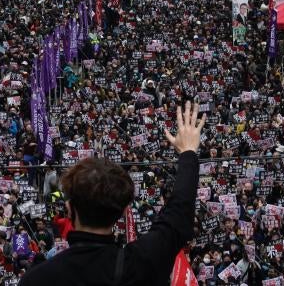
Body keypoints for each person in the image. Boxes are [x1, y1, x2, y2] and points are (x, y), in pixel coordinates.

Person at [20, 101, 206, 285]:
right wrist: (188, 152)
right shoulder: (140, 264)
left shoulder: (36, 279)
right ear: (125, 210)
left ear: (69, 208)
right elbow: (178, 214)